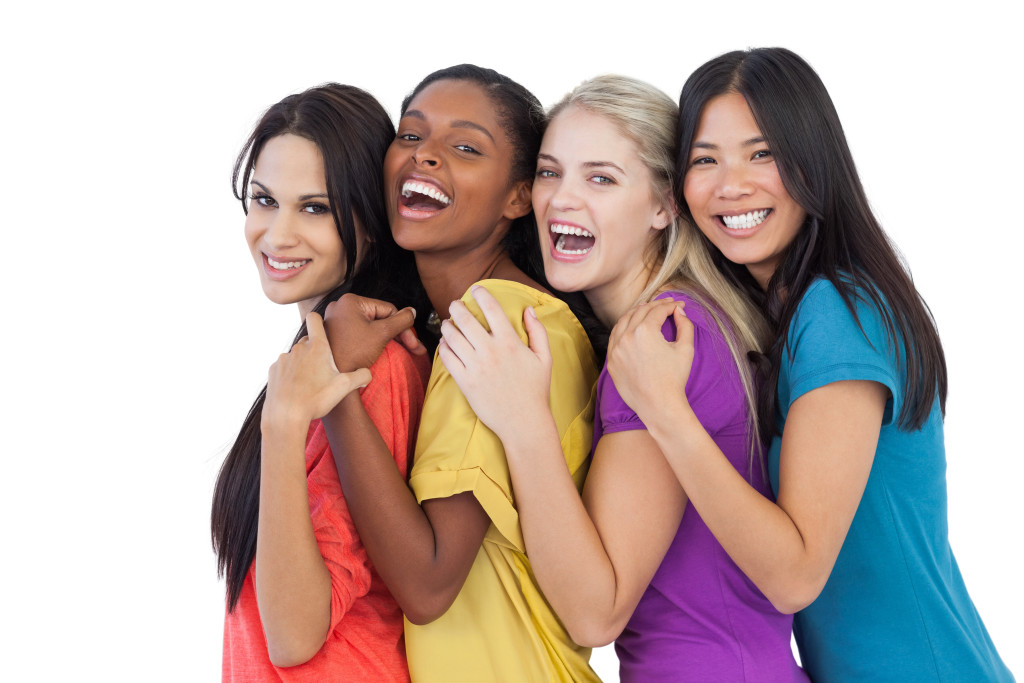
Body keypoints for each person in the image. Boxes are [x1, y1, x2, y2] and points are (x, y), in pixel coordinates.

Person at [605, 48, 1015, 682]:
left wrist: (664, 411)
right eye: (705, 160)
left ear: (812, 160)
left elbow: (795, 575)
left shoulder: (838, 310)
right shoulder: (789, 313)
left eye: (761, 153)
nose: (731, 184)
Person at [438, 75, 807, 682]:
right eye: (552, 173)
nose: (562, 200)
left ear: (665, 204)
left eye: (601, 178)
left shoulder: (663, 336)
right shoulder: (668, 326)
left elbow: (596, 613)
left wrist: (523, 423)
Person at [319, 65, 601, 683]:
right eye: (411, 135)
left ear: (519, 196)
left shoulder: (500, 321)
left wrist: (334, 384)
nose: (426, 158)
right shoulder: (491, 318)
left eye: (465, 147)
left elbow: (429, 581)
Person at [210, 83, 427, 681]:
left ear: (370, 218)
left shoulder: (368, 371)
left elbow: (295, 634)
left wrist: (283, 421)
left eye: (315, 207)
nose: (277, 235)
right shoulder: (324, 356)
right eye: (263, 199)